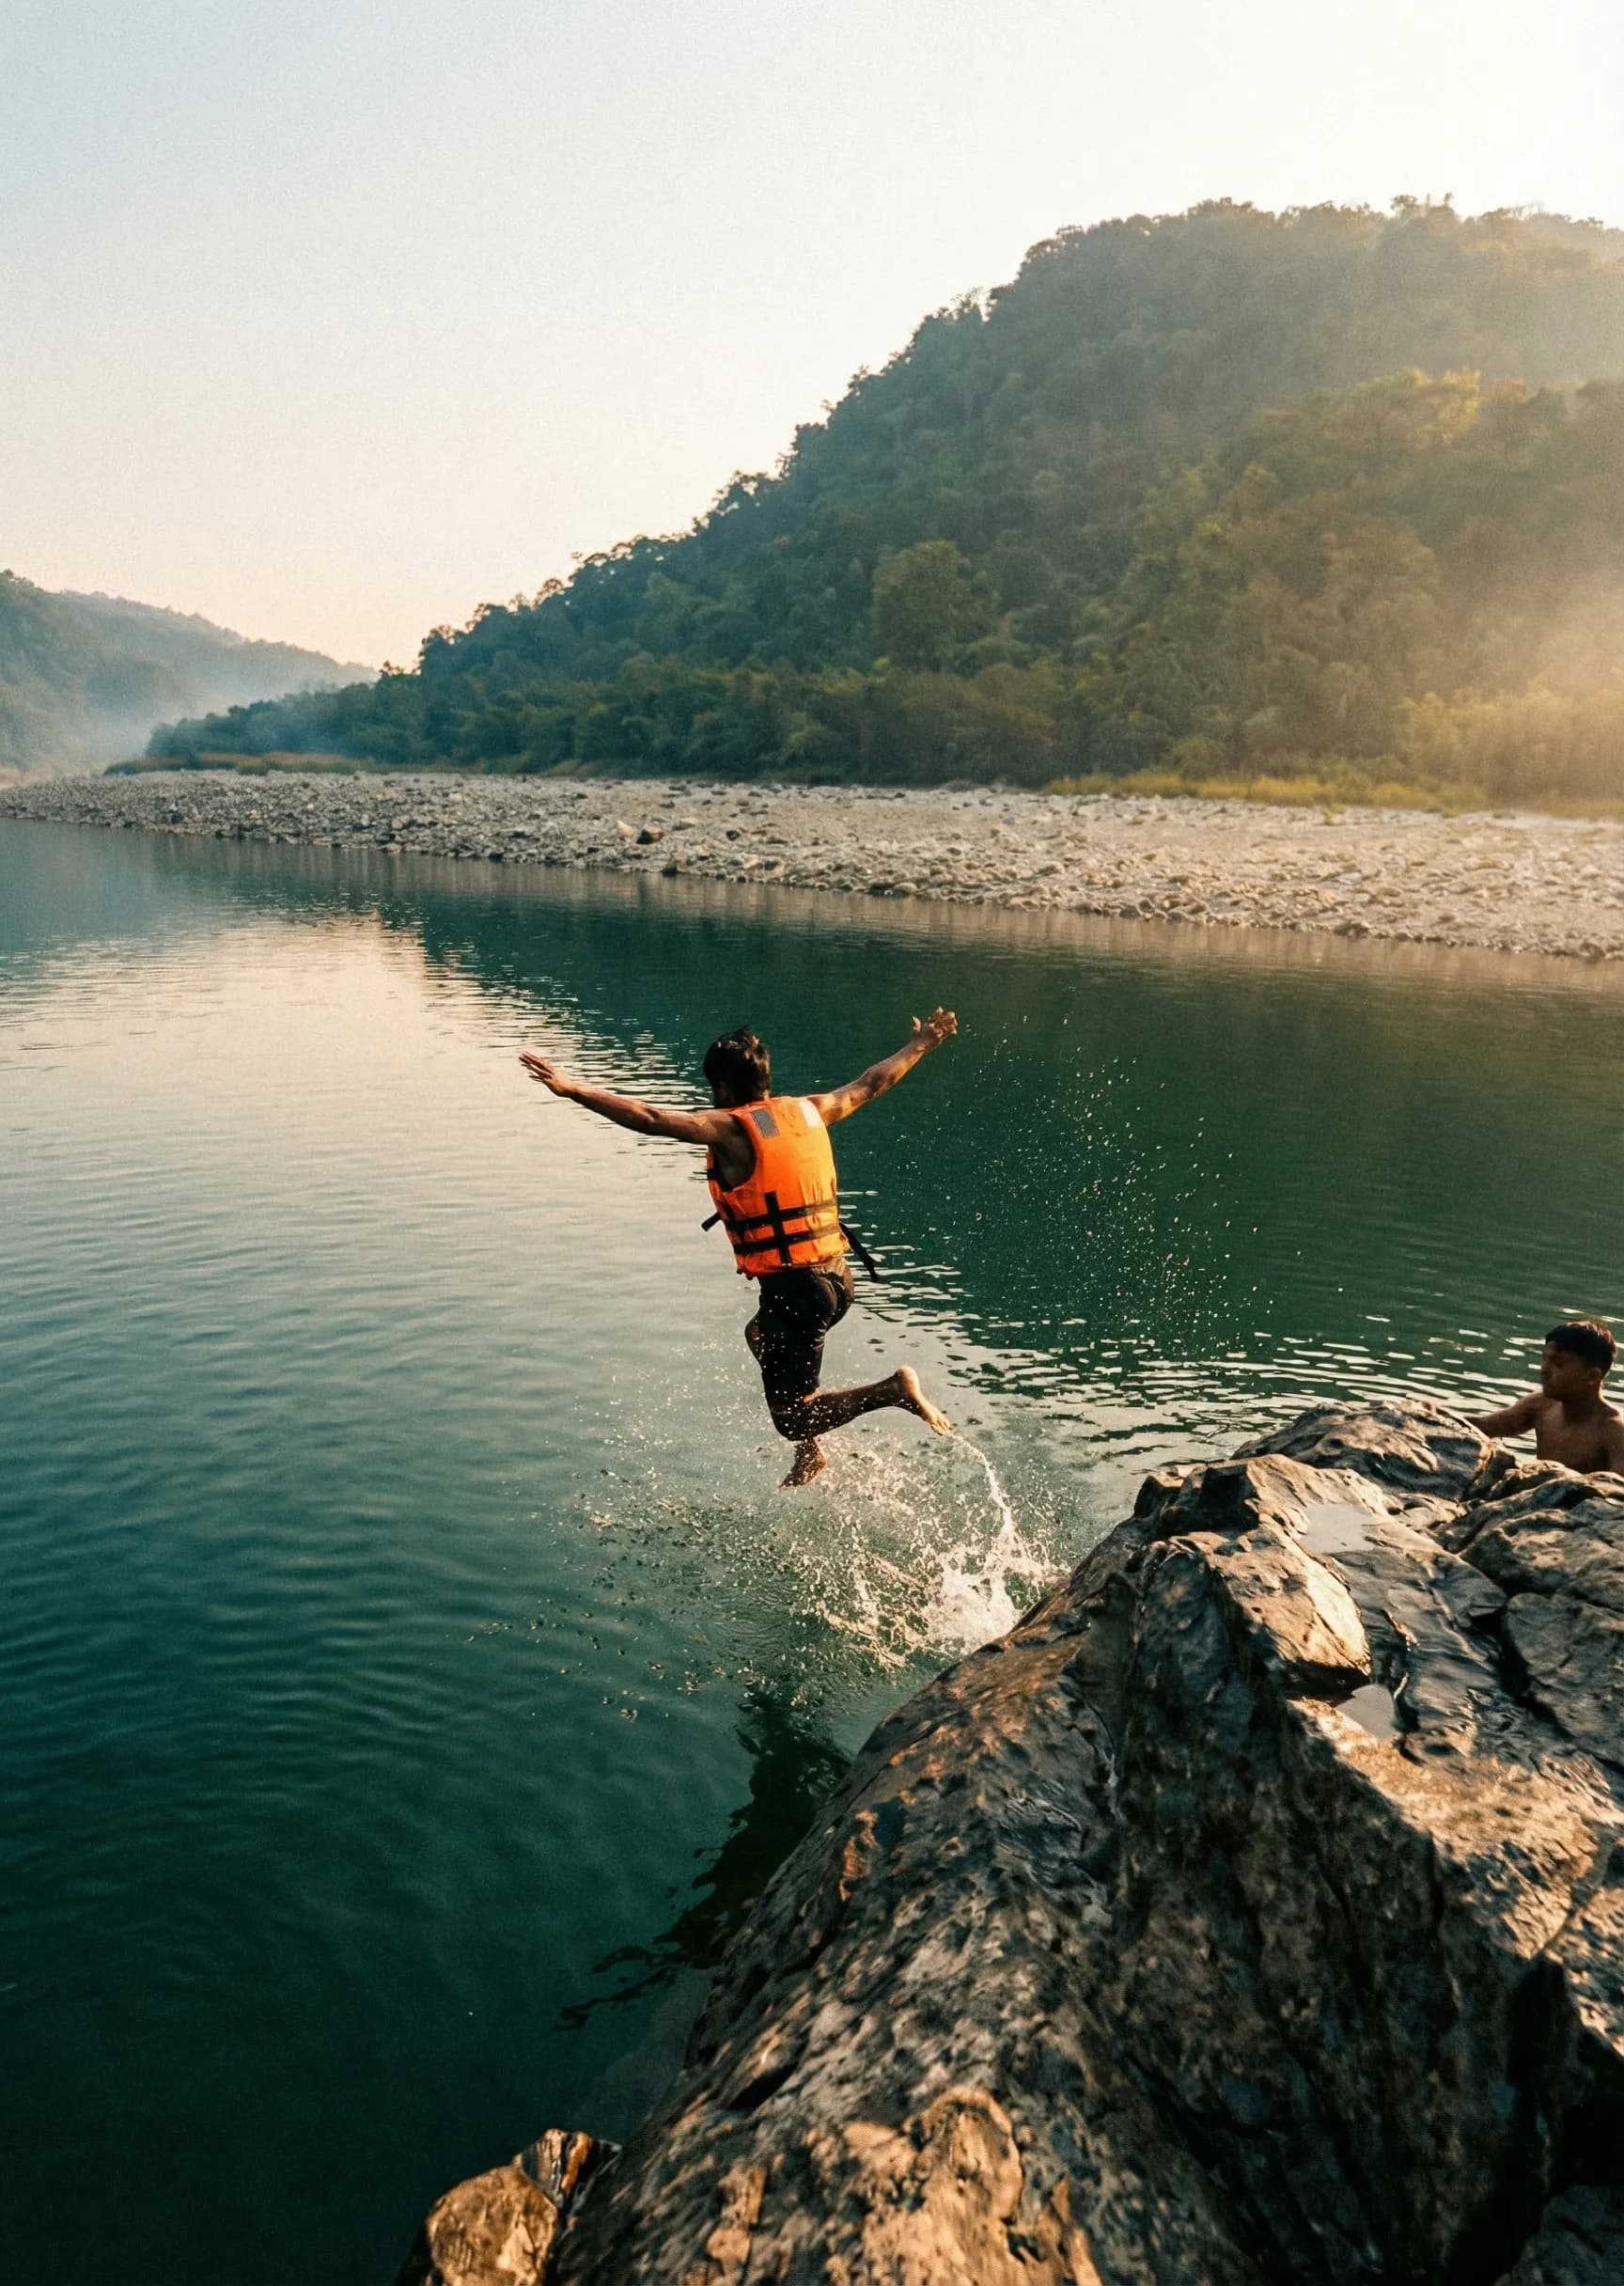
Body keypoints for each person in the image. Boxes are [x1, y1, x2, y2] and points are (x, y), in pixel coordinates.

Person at [519, 1012, 959, 1485]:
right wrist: (920, 1045)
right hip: (835, 1277)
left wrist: (572, 1089)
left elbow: (650, 1119)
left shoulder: (731, 1130)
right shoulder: (812, 1109)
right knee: (759, 1336)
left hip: (799, 1289)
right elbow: (870, 1084)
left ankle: (894, 1390)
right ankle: (813, 1454)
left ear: (725, 1088)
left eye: (713, 1088)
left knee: (791, 1417)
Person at [1469, 1320, 1624, 1475]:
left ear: (1592, 1375)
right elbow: (1485, 1426)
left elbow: (1617, 1490)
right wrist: (1445, 1417)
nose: (1544, 1370)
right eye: (1545, 1359)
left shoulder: (1614, 1431)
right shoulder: (1540, 1405)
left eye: (1558, 1364)